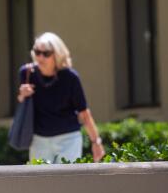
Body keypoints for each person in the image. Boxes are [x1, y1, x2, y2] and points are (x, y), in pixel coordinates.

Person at [17, 32, 104, 164]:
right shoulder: (27, 73)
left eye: (46, 54)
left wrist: (96, 142)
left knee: (67, 182)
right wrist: (22, 95)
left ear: (57, 55)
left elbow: (84, 113)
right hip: (39, 139)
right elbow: (22, 103)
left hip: (68, 139)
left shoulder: (70, 77)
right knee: (40, 183)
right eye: (37, 52)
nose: (40, 57)